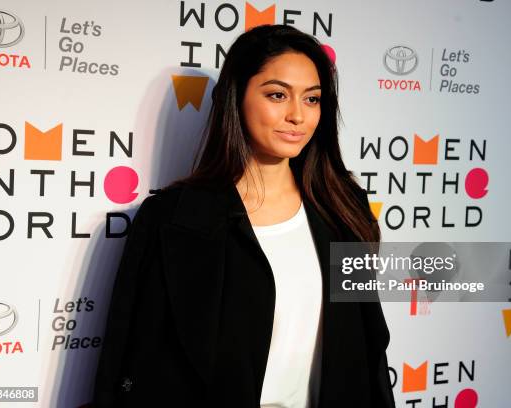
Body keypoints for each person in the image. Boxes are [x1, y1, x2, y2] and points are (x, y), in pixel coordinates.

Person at [92, 24, 395, 408]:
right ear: (237, 98)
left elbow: (369, 348)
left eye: (313, 99)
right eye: (277, 95)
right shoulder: (173, 218)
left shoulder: (342, 208)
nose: (297, 116)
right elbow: (132, 355)